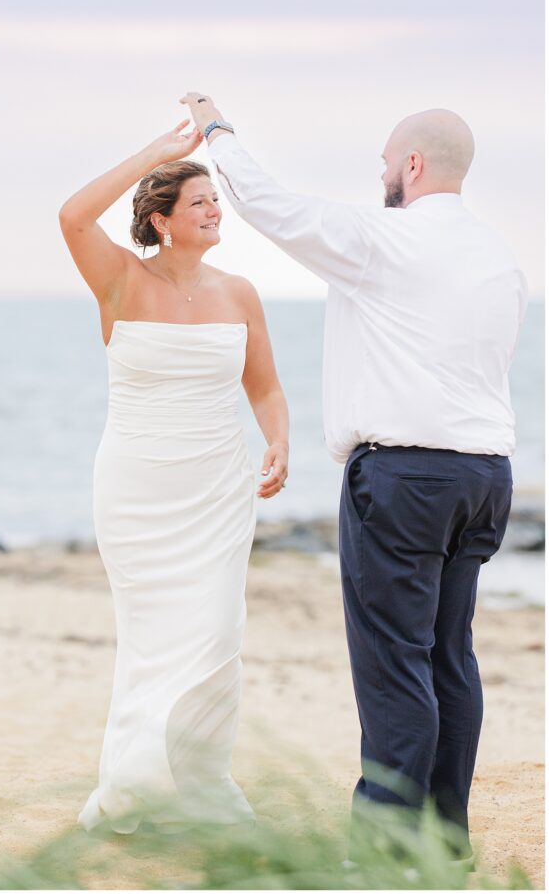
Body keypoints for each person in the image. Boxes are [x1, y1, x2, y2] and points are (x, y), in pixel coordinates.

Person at [180, 93, 528, 861]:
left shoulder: (384, 240)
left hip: (404, 478)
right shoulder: (497, 257)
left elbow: (268, 204)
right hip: (483, 477)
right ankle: (444, 841)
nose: (379, 174)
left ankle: (381, 848)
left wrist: (216, 129)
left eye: (383, 162)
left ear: (411, 165)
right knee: (448, 658)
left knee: (393, 666)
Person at [58, 119, 289, 834]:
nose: (213, 211)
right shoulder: (118, 279)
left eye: (214, 201)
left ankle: (201, 787)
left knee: (216, 635)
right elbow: (71, 215)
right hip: (136, 489)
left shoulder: (239, 293)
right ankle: (133, 791)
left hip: (216, 490)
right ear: (159, 220)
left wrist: (278, 441)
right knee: (152, 638)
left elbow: (265, 388)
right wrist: (159, 153)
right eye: (197, 203)